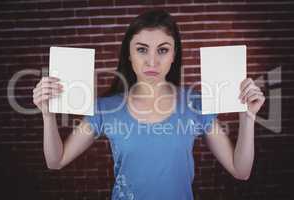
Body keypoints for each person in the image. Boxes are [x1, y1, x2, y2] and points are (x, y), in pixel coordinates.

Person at [32, 9, 265, 200]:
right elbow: (56, 161)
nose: (152, 61)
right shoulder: (105, 108)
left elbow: (241, 170)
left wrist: (248, 116)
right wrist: (47, 114)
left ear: (174, 55)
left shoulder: (196, 104)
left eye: (163, 50)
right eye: (142, 49)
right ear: (129, 54)